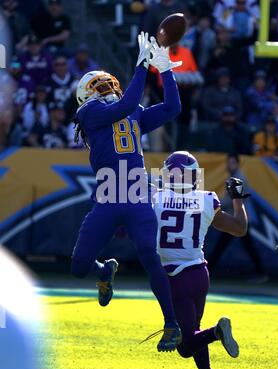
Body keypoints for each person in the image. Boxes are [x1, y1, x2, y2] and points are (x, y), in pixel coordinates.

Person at [71, 33, 182, 352]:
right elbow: (129, 102)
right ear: (85, 96)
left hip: (136, 194)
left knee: (150, 254)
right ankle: (103, 270)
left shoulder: (131, 110)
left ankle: (171, 324)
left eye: (107, 82)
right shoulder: (89, 115)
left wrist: (165, 69)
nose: (104, 87)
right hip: (107, 196)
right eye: (97, 85)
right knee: (79, 267)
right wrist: (140, 66)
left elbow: (172, 107)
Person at [152, 151, 249, 369]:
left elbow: (127, 226)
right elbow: (240, 228)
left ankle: (216, 332)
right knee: (195, 331)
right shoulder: (206, 199)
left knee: (185, 347)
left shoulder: (154, 199)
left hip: (176, 276)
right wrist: (238, 200)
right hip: (200, 274)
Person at [208, 154, 268, 284]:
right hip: (236, 218)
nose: (230, 165)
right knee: (225, 246)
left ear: (237, 164)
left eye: (232, 163)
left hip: (238, 219)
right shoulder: (234, 178)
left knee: (223, 246)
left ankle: (207, 271)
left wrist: (212, 203)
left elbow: (232, 200)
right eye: (228, 162)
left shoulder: (238, 179)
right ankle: (261, 272)